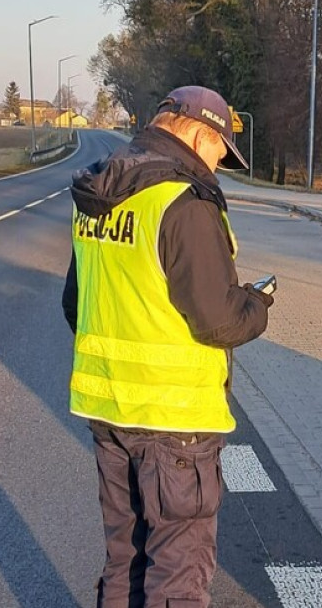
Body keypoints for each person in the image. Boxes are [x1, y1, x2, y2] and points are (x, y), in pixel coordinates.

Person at [62, 85, 273, 607]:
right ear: (200, 134)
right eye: (220, 151)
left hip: (109, 413)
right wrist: (256, 306)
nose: (219, 165)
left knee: (125, 563)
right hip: (175, 427)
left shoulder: (100, 193)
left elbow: (76, 304)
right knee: (177, 576)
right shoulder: (182, 201)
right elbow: (217, 319)